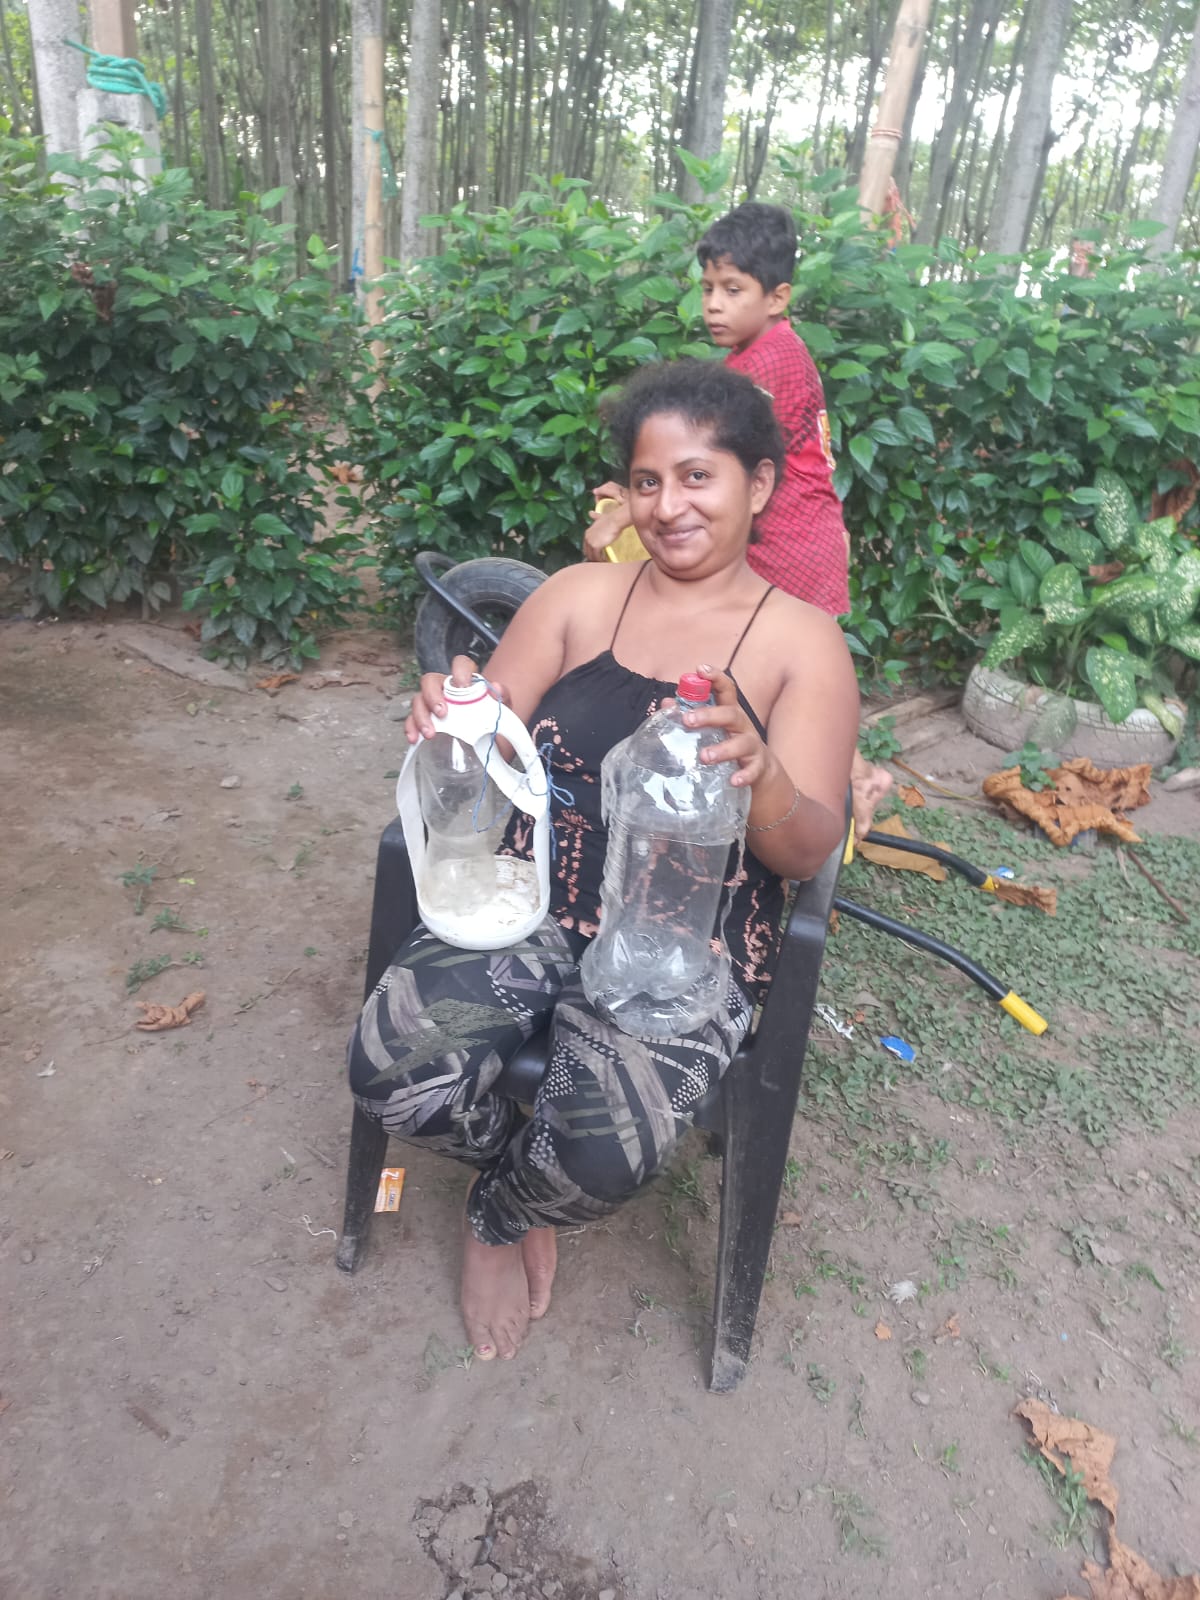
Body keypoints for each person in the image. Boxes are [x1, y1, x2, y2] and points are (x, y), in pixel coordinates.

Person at [348, 359, 858, 1363]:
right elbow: (487, 758)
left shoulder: (804, 646)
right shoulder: (578, 598)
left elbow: (806, 851)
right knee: (389, 1074)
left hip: (683, 942)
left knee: (599, 1156)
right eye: (647, 480)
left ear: (758, 483)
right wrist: (453, 717)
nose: (668, 506)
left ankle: (502, 1214)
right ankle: (521, 1179)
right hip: (526, 900)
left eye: (698, 477)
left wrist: (762, 776)